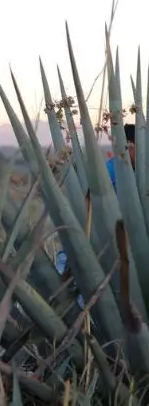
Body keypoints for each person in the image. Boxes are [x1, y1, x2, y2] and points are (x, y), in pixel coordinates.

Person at [55, 123, 137, 303]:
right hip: (100, 241)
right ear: (129, 144)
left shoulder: (138, 173)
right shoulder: (111, 170)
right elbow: (88, 202)